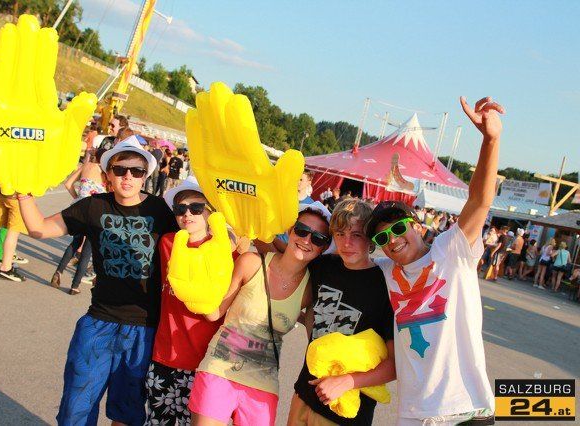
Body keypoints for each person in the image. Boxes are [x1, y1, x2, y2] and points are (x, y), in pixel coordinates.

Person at [17, 136, 177, 425]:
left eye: (137, 171)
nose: (128, 176)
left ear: (145, 176)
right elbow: (39, 229)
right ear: (108, 175)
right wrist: (23, 195)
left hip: (144, 328)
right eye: (120, 170)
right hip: (99, 321)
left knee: (127, 412)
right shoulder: (93, 207)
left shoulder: (160, 211)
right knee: (76, 407)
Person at [366, 96, 503, 425]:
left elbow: (480, 201)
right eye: (381, 238)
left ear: (416, 225)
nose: (392, 240)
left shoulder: (451, 250)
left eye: (398, 228)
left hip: (466, 408)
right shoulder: (385, 270)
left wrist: (491, 140)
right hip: (415, 414)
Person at [188, 204, 332, 426]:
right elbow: (214, 313)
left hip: (264, 384)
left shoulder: (309, 290)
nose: (306, 240)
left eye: (318, 238)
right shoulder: (251, 263)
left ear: (324, 247)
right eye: (302, 230)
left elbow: (315, 339)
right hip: (219, 370)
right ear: (290, 230)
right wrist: (192, 284)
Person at [289, 198, 395, 426]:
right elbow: (285, 261)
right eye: (340, 234)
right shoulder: (323, 266)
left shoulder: (385, 287)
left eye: (356, 235)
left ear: (370, 238)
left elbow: (395, 365)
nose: (346, 243)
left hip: (347, 412)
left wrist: (347, 381)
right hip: (303, 395)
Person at [144, 177, 235, 425]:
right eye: (180, 208)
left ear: (210, 212)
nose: (187, 214)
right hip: (165, 354)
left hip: (205, 363)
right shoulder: (168, 243)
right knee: (157, 421)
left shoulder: (226, 249)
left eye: (196, 207)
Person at [50, 148, 106, 295]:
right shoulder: (105, 172)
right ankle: (75, 286)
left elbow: (68, 184)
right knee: (87, 250)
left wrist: (77, 198)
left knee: (75, 243)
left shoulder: (85, 166)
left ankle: (58, 272)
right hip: (96, 214)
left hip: (80, 210)